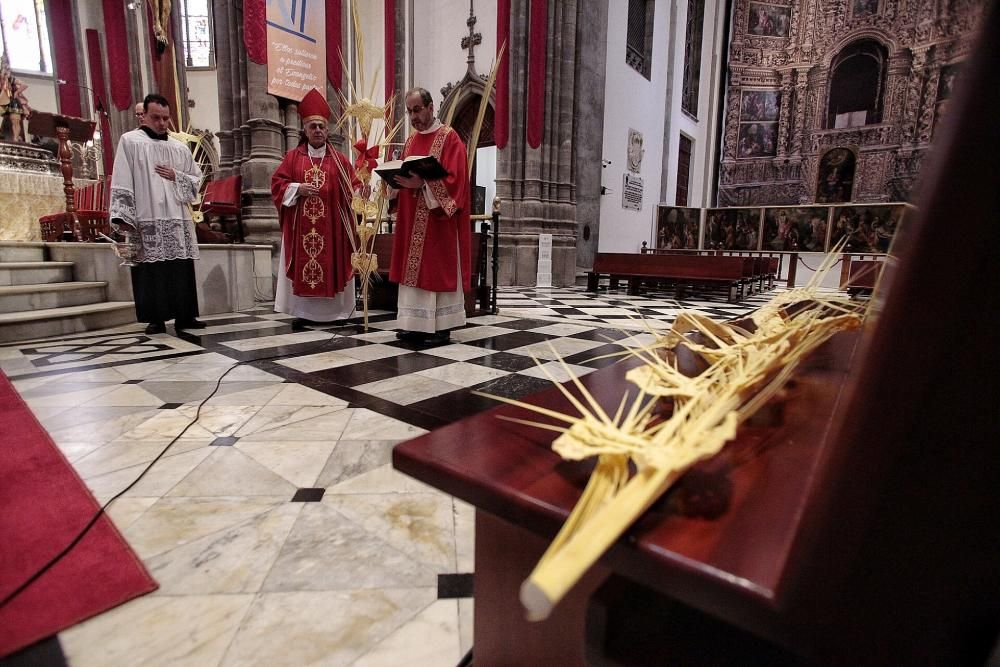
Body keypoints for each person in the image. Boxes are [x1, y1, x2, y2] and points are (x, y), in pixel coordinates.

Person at [109, 93, 205, 335]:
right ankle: (156, 319)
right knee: (150, 270)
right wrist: (124, 216)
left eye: (165, 118)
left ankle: (186, 316)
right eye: (156, 118)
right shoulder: (130, 142)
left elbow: (196, 180)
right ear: (144, 116)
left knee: (180, 267)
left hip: (176, 217)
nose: (162, 123)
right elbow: (122, 178)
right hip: (146, 214)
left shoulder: (180, 148)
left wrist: (177, 176)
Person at [388, 87, 471, 344]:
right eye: (409, 111)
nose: (413, 117)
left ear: (430, 107)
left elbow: (456, 181)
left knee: (434, 269)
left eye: (417, 110)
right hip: (412, 217)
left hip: (438, 222)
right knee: (412, 271)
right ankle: (413, 323)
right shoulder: (411, 141)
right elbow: (406, 174)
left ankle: (440, 327)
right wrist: (392, 180)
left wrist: (422, 185)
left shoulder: (450, 138)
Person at [271, 87, 360, 329]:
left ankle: (336, 314)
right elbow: (277, 184)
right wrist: (297, 189)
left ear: (327, 128)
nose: (318, 130)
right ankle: (304, 312)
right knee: (306, 267)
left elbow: (354, 186)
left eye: (321, 126)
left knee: (332, 262)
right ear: (305, 130)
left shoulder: (340, 160)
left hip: (333, 230)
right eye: (313, 126)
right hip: (302, 229)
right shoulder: (293, 157)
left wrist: (363, 193)